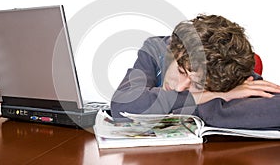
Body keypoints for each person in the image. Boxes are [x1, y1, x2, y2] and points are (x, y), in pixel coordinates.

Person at [111, 14, 280, 129]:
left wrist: (186, 111)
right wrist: (202, 97)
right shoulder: (156, 49)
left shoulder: (228, 69)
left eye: (198, 84)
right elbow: (123, 104)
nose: (179, 87)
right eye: (181, 71)